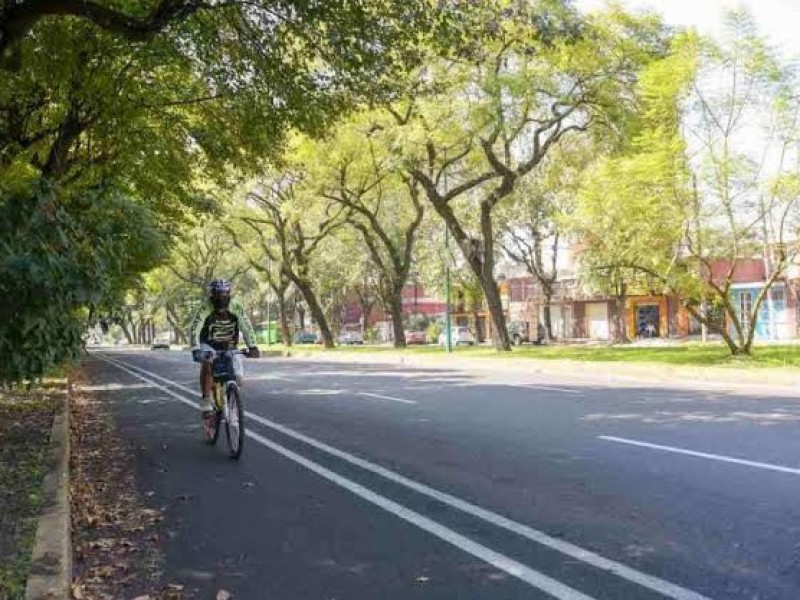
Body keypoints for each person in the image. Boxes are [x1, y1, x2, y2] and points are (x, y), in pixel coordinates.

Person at [190, 279, 260, 425]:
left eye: (225, 294)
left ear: (229, 294)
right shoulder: (205, 308)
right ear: (212, 295)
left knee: (238, 379)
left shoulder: (236, 307)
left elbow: (246, 326)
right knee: (207, 364)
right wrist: (196, 349)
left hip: (230, 345)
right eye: (218, 295)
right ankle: (206, 400)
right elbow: (194, 329)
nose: (221, 298)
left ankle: (230, 400)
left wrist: (253, 346)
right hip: (209, 344)